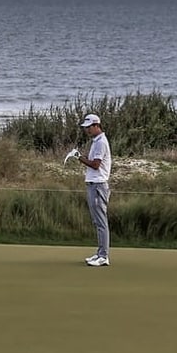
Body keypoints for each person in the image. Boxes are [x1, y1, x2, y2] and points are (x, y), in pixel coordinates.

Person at [76, 114, 112, 267]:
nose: (87, 130)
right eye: (86, 128)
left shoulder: (101, 143)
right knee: (97, 221)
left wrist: (78, 157)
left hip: (98, 185)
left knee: (101, 222)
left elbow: (96, 164)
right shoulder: (96, 142)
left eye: (89, 127)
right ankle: (100, 253)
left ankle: (103, 256)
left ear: (97, 125)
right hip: (94, 184)